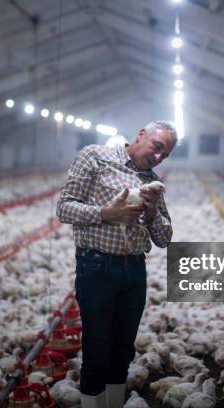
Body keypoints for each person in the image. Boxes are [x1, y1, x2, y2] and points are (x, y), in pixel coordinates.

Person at [56, 120, 177, 407]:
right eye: (157, 147)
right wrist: (105, 213)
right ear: (141, 134)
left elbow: (165, 238)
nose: (158, 157)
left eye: (165, 155)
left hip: (135, 270)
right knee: (97, 349)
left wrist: (150, 214)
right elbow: (64, 207)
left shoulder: (152, 182)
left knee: (123, 351)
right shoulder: (95, 156)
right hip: (97, 267)